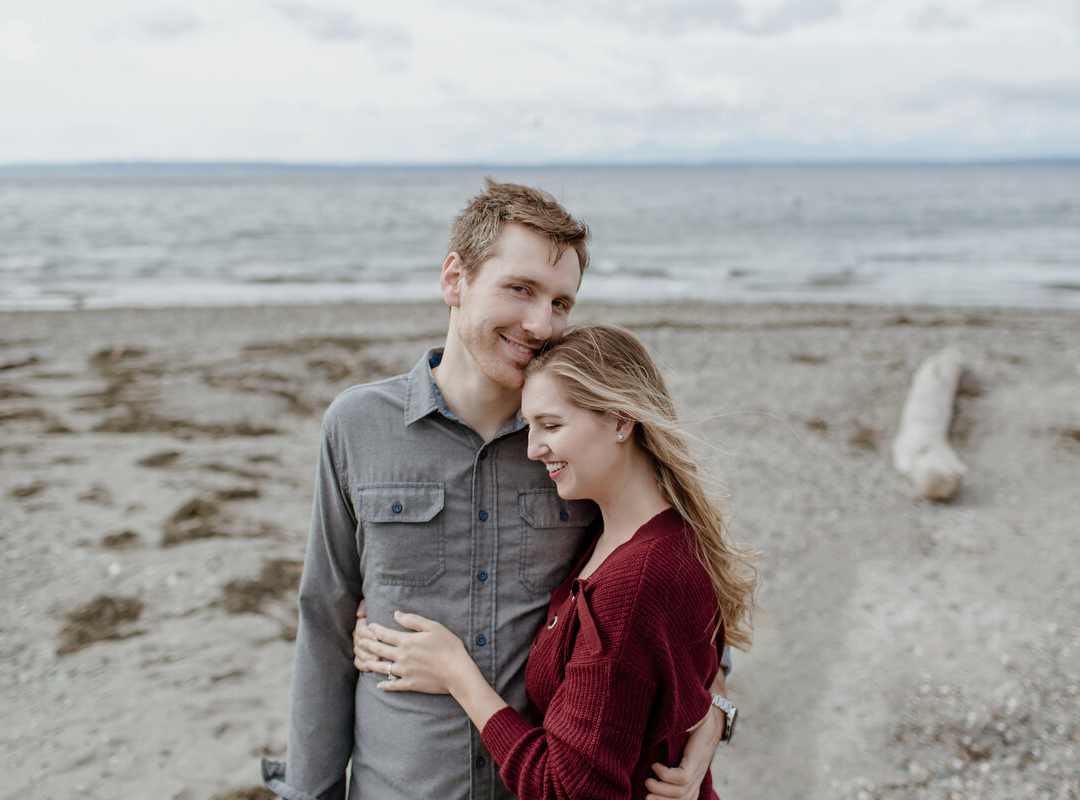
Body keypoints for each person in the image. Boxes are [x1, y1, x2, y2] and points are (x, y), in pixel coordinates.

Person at [263, 180, 728, 800]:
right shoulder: (356, 425)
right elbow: (324, 621)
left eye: (562, 303)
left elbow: (672, 576)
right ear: (455, 279)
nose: (542, 324)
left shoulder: (577, 445)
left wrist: (714, 709)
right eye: (521, 290)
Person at [357, 324, 757, 800]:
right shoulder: (630, 538)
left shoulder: (636, 581)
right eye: (531, 427)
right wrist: (715, 705)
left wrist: (456, 673)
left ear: (620, 420)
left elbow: (563, 788)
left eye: (551, 425)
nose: (532, 449)